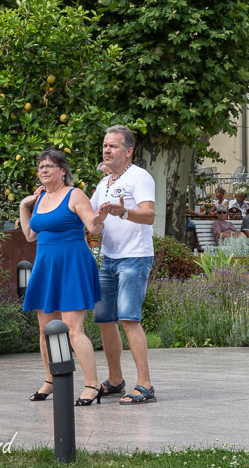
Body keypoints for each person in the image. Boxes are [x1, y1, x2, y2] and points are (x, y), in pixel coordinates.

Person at [20, 149, 110, 406]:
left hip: (72, 265)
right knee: (46, 330)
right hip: (46, 267)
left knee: (72, 329)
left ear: (62, 171)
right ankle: (50, 380)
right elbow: (29, 235)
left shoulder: (74, 194)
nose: (44, 170)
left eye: (49, 166)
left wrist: (100, 219)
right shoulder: (39, 199)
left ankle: (92, 385)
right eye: (40, 167)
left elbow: (93, 226)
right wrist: (23, 205)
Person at [91, 125, 158, 404]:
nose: (107, 150)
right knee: (105, 320)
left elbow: (150, 215)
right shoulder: (103, 184)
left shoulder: (139, 177)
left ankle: (145, 385)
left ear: (128, 151)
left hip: (135, 257)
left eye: (113, 146)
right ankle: (116, 381)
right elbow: (93, 222)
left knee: (129, 318)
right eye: (105, 145)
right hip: (109, 259)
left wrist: (124, 211)